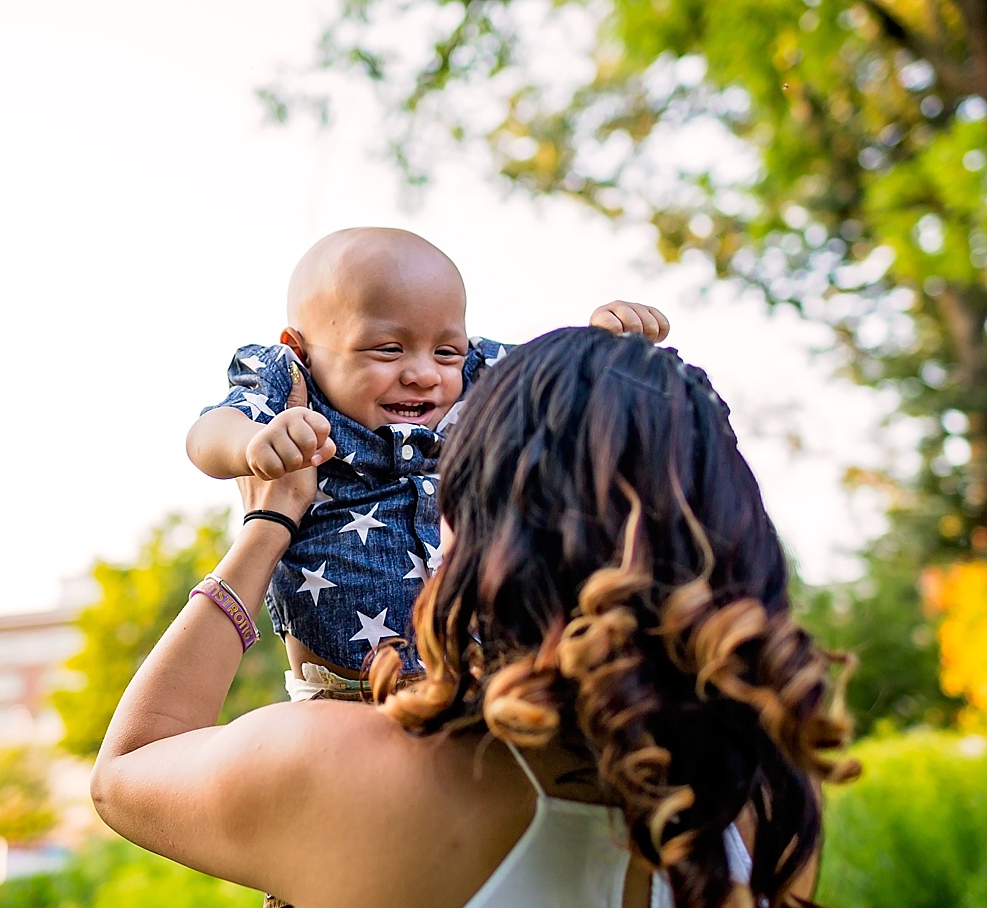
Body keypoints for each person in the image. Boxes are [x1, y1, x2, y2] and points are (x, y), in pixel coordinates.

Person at [94, 327, 856, 908]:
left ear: (484, 534)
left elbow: (128, 767)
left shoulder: (339, 769)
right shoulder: (766, 811)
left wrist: (266, 525)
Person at [185, 226, 668, 691]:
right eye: (388, 349)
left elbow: (564, 381)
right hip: (345, 693)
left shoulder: (485, 372)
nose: (422, 374)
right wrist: (253, 443)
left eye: (445, 351)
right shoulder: (291, 385)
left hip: (485, 684)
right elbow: (207, 434)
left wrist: (602, 346)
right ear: (302, 349)